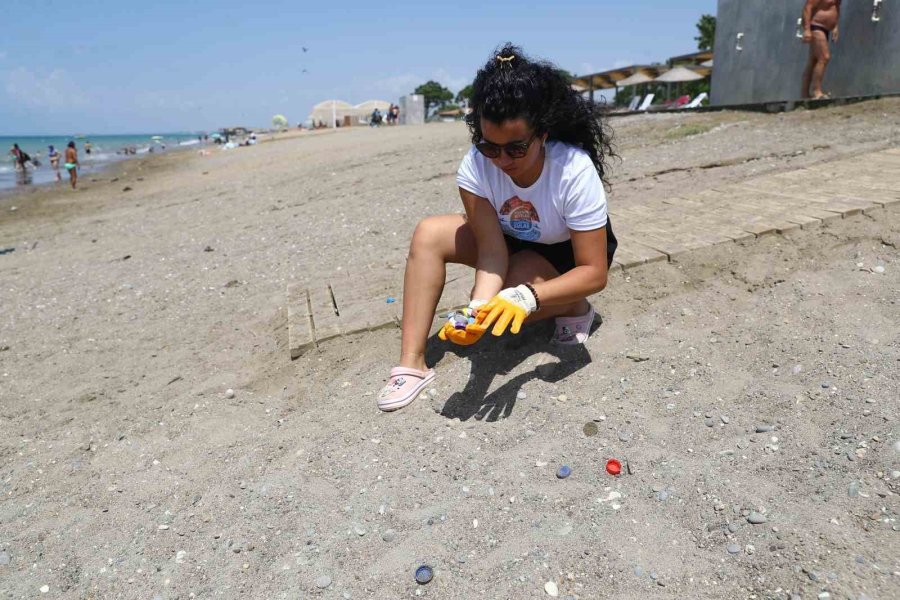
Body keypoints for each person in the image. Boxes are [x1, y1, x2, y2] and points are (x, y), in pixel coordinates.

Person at [375, 43, 618, 411]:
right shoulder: (477, 165)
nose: (502, 160)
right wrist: (477, 308)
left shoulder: (573, 170)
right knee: (429, 234)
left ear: (543, 134)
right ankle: (412, 363)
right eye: (490, 147)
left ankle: (573, 304)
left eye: (516, 149)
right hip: (511, 240)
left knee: (514, 287)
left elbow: (595, 271)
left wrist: (527, 296)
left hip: (567, 258)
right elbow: (491, 250)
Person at [801, 0, 841, 100]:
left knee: (814, 61)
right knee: (824, 57)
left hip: (826, 28)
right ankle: (816, 91)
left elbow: (836, 7)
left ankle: (804, 94)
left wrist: (835, 26)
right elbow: (808, 8)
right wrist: (806, 29)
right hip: (816, 26)